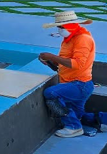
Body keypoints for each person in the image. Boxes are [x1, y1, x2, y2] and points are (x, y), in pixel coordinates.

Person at [38, 10, 96, 138]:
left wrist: (51, 56)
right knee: (78, 113)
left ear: (71, 26)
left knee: (51, 93)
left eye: (61, 27)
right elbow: (65, 62)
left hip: (80, 84)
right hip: (74, 83)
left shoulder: (83, 39)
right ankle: (92, 121)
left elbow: (77, 64)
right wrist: (50, 61)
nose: (59, 30)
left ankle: (73, 127)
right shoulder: (69, 39)